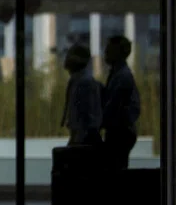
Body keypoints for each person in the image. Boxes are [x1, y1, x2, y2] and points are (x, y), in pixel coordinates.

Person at [101, 36, 140, 169]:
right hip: (120, 132)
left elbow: (113, 106)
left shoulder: (123, 77)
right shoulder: (118, 74)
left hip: (120, 133)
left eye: (109, 49)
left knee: (116, 171)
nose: (105, 52)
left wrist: (100, 122)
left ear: (118, 52)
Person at [60, 44, 102, 146]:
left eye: (69, 55)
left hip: (85, 139)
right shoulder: (76, 81)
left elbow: (87, 115)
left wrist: (78, 138)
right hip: (79, 137)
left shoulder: (84, 82)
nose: (66, 58)